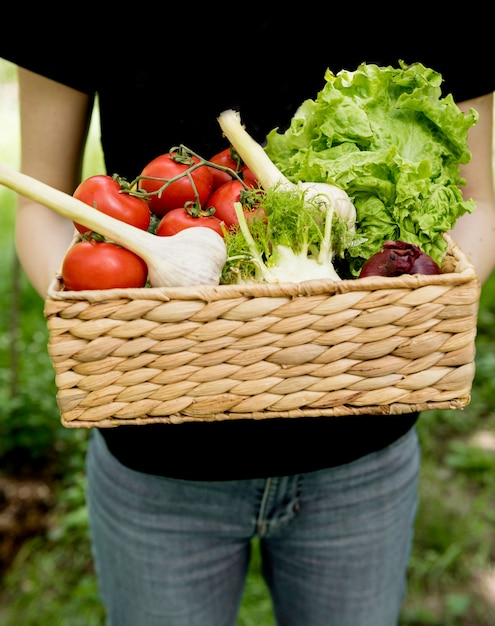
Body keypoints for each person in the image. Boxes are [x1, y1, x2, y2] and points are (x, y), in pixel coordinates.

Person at [2, 12, 495, 626]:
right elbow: (42, 209)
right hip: (157, 461)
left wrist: (406, 302)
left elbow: (478, 201)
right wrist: (116, 316)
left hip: (361, 451)